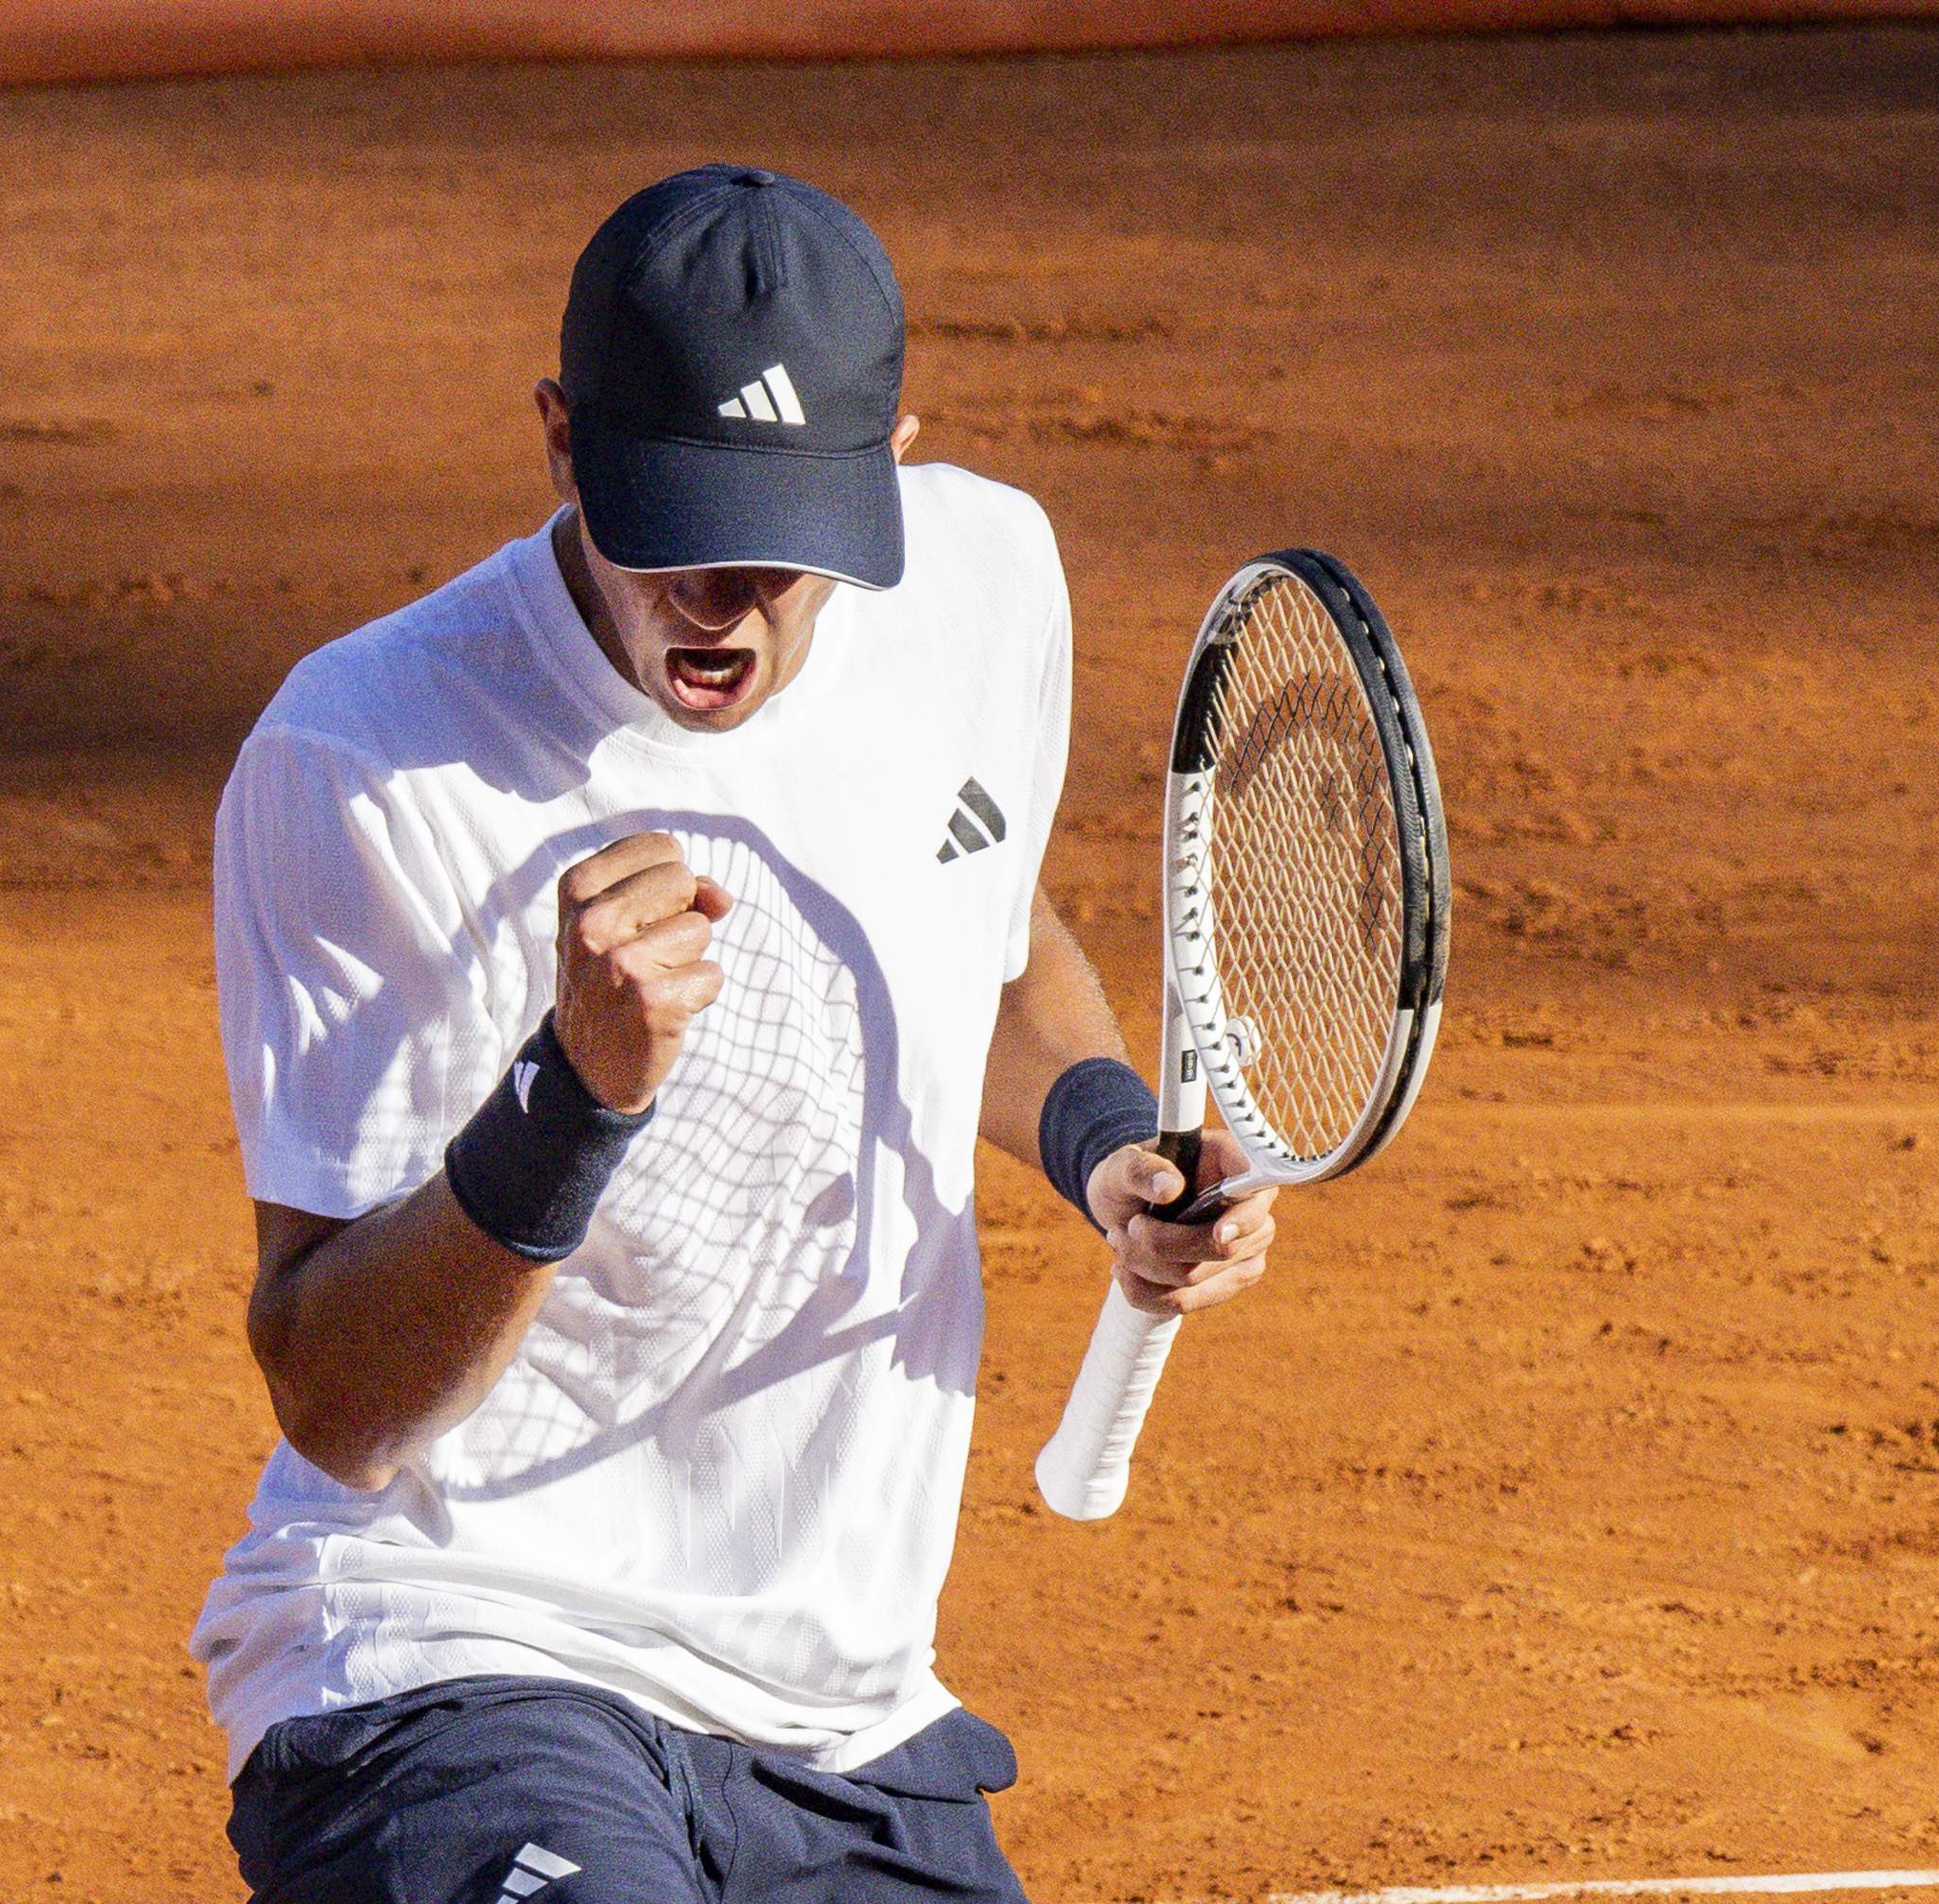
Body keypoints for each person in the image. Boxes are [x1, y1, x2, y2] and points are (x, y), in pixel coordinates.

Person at [193, 163, 1283, 1904]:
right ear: (561, 445)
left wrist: (1109, 1148)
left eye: (780, 538)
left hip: (842, 1710)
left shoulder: (986, 580)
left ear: (892, 459)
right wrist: (570, 1099)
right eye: (670, 520)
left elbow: (983, 938)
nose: (722, 594)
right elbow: (335, 1395)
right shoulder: (368, 755)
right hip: (459, 1650)